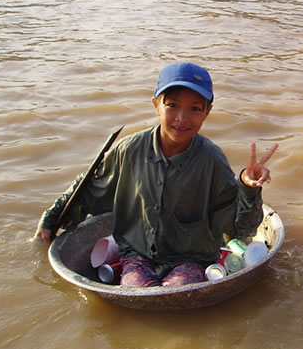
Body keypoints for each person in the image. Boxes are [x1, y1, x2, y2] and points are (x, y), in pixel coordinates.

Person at [35, 62, 278, 287]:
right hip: (136, 254)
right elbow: (89, 187)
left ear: (207, 112)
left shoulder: (212, 160)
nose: (182, 118)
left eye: (194, 109)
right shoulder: (128, 150)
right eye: (172, 105)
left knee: (180, 290)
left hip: (192, 258)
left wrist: (248, 186)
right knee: (136, 291)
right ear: (156, 104)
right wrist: (51, 219)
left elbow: (241, 227)